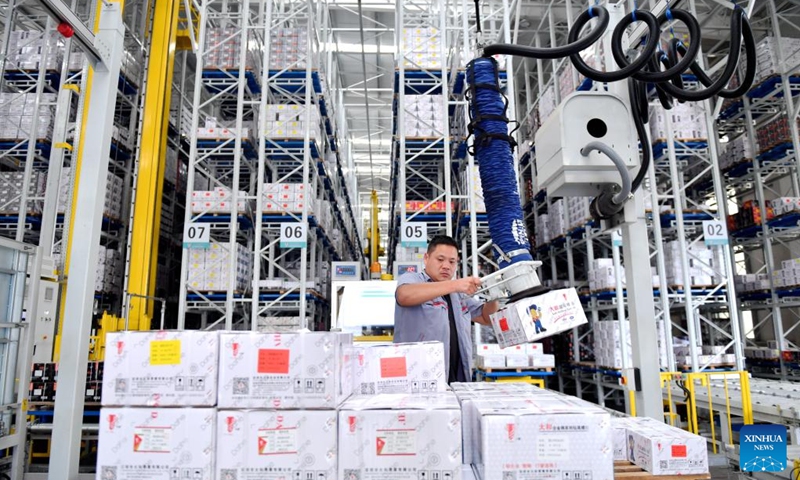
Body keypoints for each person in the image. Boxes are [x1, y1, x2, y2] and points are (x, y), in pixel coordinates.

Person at [394, 235, 499, 384]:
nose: (446, 266)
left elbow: (486, 318)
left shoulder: (458, 295)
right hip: (418, 378)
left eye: (452, 261)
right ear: (426, 258)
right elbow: (403, 296)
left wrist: (493, 295)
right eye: (440, 259)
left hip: (457, 379)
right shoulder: (412, 279)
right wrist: (455, 284)